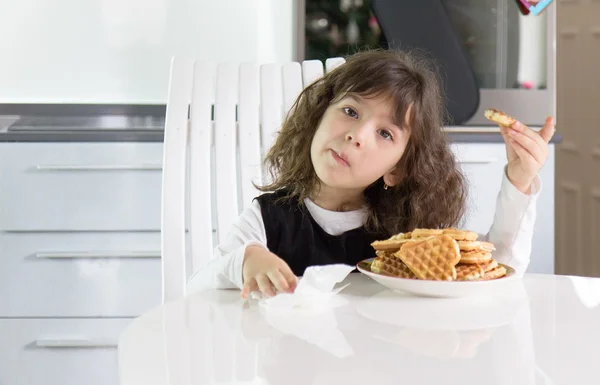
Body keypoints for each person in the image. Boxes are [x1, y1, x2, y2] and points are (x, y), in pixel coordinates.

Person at [187, 49, 555, 298]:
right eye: (350, 111)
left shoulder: (409, 235)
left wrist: (519, 180)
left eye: (385, 133)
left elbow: (497, 274)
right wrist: (245, 259)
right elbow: (196, 291)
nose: (356, 135)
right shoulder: (266, 220)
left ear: (397, 168)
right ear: (318, 117)